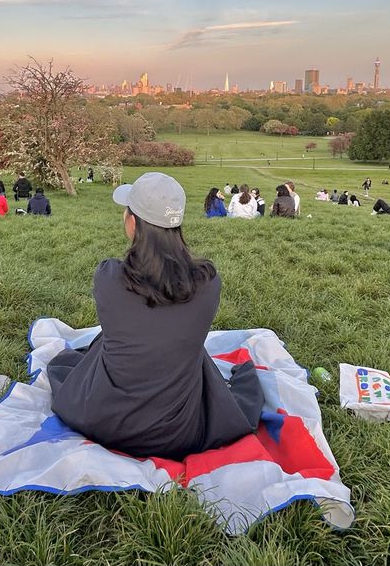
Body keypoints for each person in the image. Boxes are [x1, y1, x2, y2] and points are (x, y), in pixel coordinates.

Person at [47, 172, 264, 460]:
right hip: (181, 431)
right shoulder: (208, 282)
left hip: (105, 421)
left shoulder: (109, 277)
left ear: (132, 222)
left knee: (100, 344)